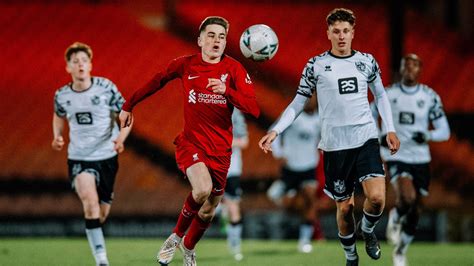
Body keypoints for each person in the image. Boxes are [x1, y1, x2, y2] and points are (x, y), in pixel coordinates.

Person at [259, 8, 400, 266]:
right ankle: (350, 257)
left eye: (346, 31)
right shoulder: (316, 65)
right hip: (335, 146)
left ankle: (367, 231)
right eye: (336, 31)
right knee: (344, 208)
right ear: (328, 33)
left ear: (353, 32)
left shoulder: (367, 61)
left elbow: (380, 95)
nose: (342, 36)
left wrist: (389, 128)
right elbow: (298, 102)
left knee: (377, 198)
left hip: (365, 138)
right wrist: (276, 130)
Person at [119, 16, 259, 266]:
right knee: (202, 189)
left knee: (208, 209)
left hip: (221, 151)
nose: (217, 40)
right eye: (212, 35)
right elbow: (157, 80)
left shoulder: (234, 69)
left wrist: (227, 91)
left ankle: (188, 247)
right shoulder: (186, 65)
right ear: (200, 40)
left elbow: (253, 108)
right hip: (191, 144)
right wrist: (129, 105)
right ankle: (174, 237)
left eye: (222, 37)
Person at [52, 42, 132, 266]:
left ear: (90, 65)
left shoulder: (106, 87)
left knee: (100, 213)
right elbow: (58, 115)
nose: (80, 65)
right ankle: (102, 261)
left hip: (107, 157)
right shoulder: (62, 95)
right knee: (90, 202)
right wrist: (57, 135)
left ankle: (98, 248)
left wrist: (120, 139)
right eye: (75, 61)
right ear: (68, 67)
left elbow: (126, 115)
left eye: (84, 61)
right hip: (79, 157)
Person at [376, 54, 450, 266]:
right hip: (396, 155)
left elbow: (444, 130)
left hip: (421, 158)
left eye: (414, 65)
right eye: (405, 65)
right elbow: (370, 115)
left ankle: (400, 251)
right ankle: (395, 217)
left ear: (420, 70)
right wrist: (378, 135)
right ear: (400, 69)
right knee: (407, 198)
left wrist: (428, 135)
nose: (409, 69)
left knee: (417, 209)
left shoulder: (429, 96)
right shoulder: (388, 94)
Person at [266, 96, 322, 253]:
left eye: (314, 98)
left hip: (309, 167)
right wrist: (279, 153)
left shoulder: (321, 119)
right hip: (290, 168)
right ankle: (286, 193)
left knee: (310, 200)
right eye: (309, 98)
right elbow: (273, 131)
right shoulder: (292, 115)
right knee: (280, 199)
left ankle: (304, 240)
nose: (311, 101)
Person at [221, 108, 248, 261]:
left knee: (233, 205)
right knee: (207, 204)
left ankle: (235, 244)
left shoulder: (235, 114)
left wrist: (222, 141)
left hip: (232, 168)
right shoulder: (206, 109)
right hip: (211, 166)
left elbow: (244, 141)